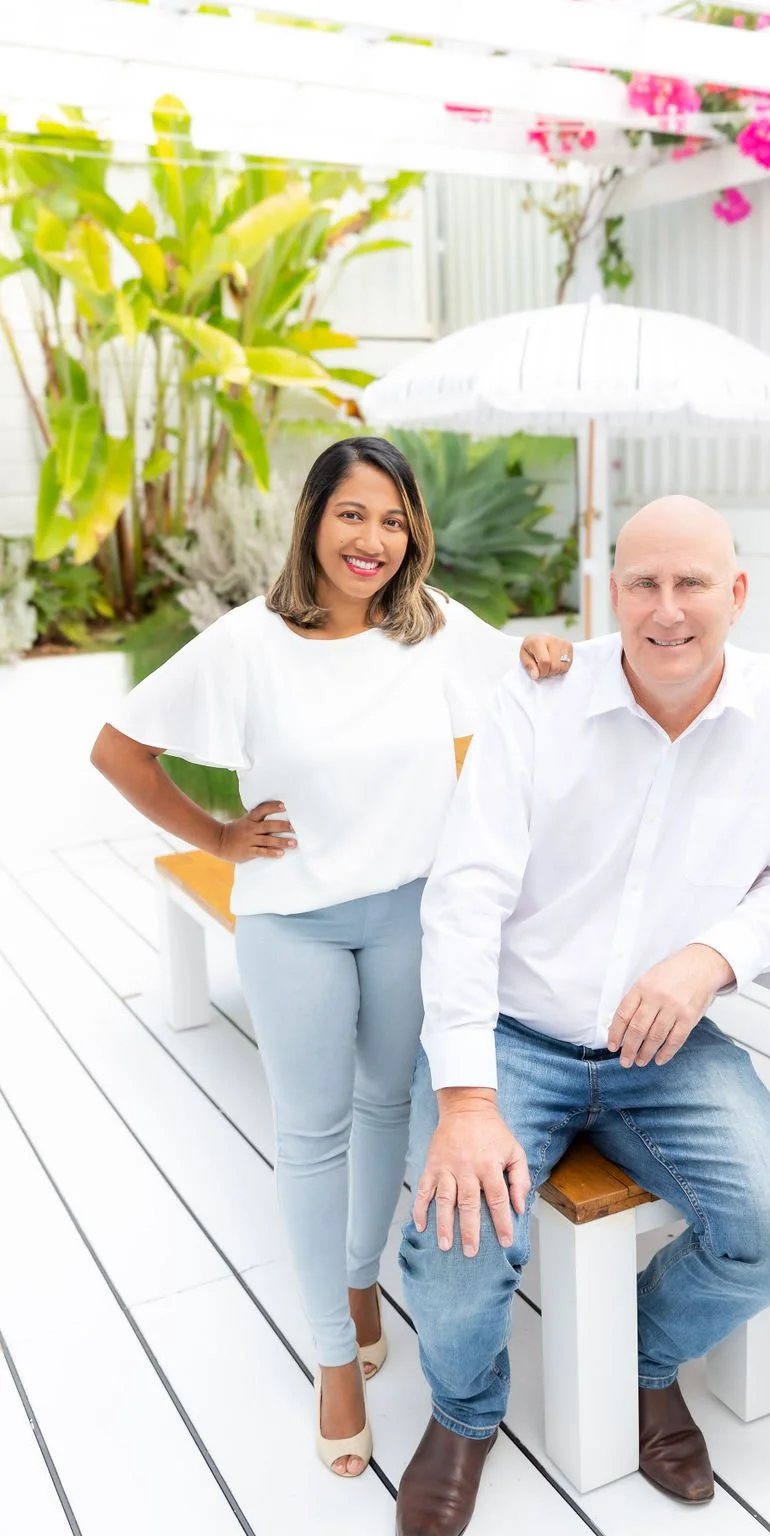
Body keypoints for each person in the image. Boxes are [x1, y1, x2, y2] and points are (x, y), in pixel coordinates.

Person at [90, 436, 574, 1482]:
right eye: (353, 514)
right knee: (310, 1135)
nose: (374, 539)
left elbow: (526, 669)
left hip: (410, 910)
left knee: (386, 1111)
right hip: (294, 923)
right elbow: (118, 749)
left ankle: (361, 1283)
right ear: (313, 518)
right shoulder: (248, 642)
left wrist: (543, 651)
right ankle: (331, 1356)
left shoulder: (431, 626)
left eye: (394, 521)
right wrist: (217, 837)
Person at [396, 495, 770, 1535]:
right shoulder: (540, 697)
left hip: (668, 1049)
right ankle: (463, 1416)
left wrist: (709, 959)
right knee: (456, 1251)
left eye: (692, 582)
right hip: (515, 1038)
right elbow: (463, 896)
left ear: (735, 593)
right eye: (642, 582)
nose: (667, 608)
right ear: (612, 593)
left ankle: (642, 1362)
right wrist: (466, 1096)